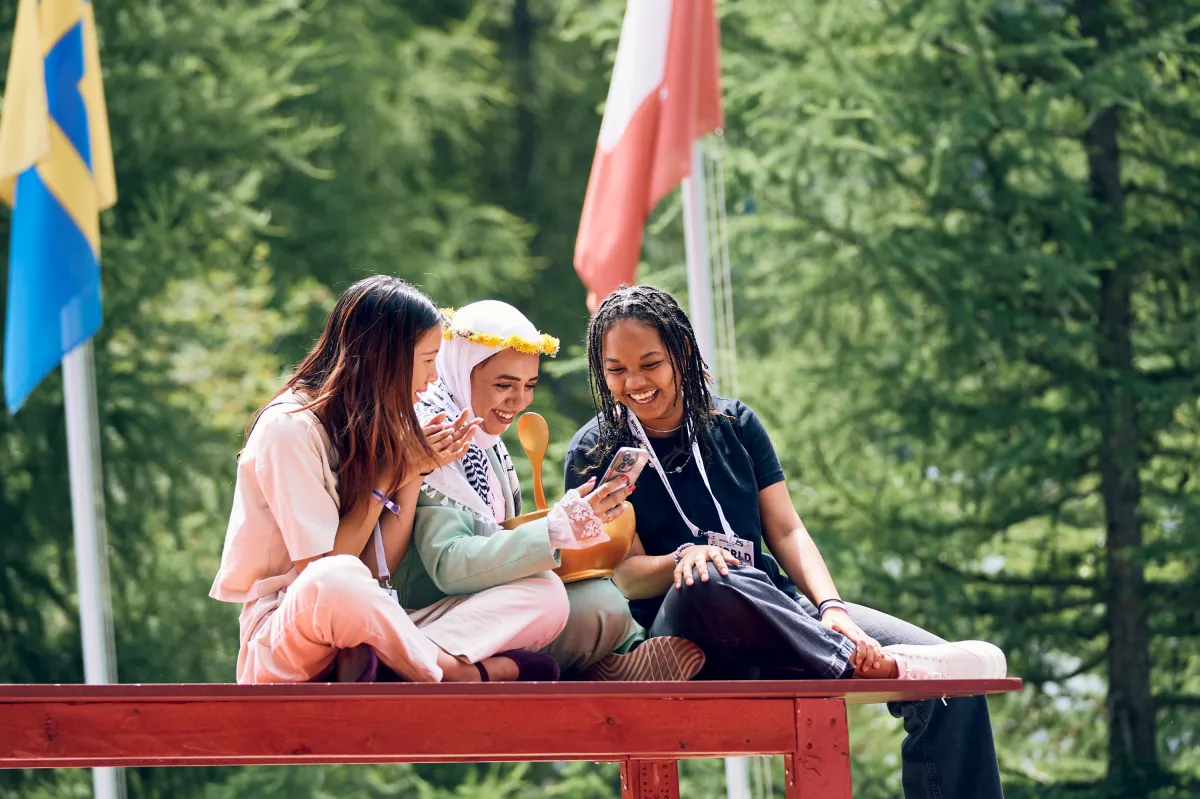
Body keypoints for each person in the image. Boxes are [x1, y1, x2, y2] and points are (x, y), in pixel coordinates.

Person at [564, 285, 1008, 798]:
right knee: (710, 576)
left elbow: (788, 529)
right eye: (616, 370)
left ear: (682, 352)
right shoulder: (595, 449)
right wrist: (687, 557)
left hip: (783, 615)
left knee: (953, 689)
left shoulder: (735, 424)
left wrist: (832, 607)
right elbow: (626, 575)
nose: (635, 382)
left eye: (650, 363)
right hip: (688, 634)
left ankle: (865, 654)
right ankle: (858, 662)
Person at [210, 276, 562, 684]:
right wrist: (388, 477)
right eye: (428, 360)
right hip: (290, 631)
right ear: (387, 358)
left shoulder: (379, 423)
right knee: (335, 580)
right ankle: (447, 671)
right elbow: (324, 568)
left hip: (367, 617)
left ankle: (398, 661)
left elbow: (380, 570)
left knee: (546, 592)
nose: (433, 379)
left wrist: (412, 470)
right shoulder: (289, 429)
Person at [393, 300, 705, 680]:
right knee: (565, 600)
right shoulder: (436, 436)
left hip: (486, 598)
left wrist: (573, 522)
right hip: (439, 612)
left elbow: (496, 536)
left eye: (529, 386)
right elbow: (450, 566)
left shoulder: (485, 444)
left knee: (601, 598)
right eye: (504, 385)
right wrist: (555, 529)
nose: (520, 401)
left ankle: (610, 663)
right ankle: (459, 665)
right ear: (459, 371)